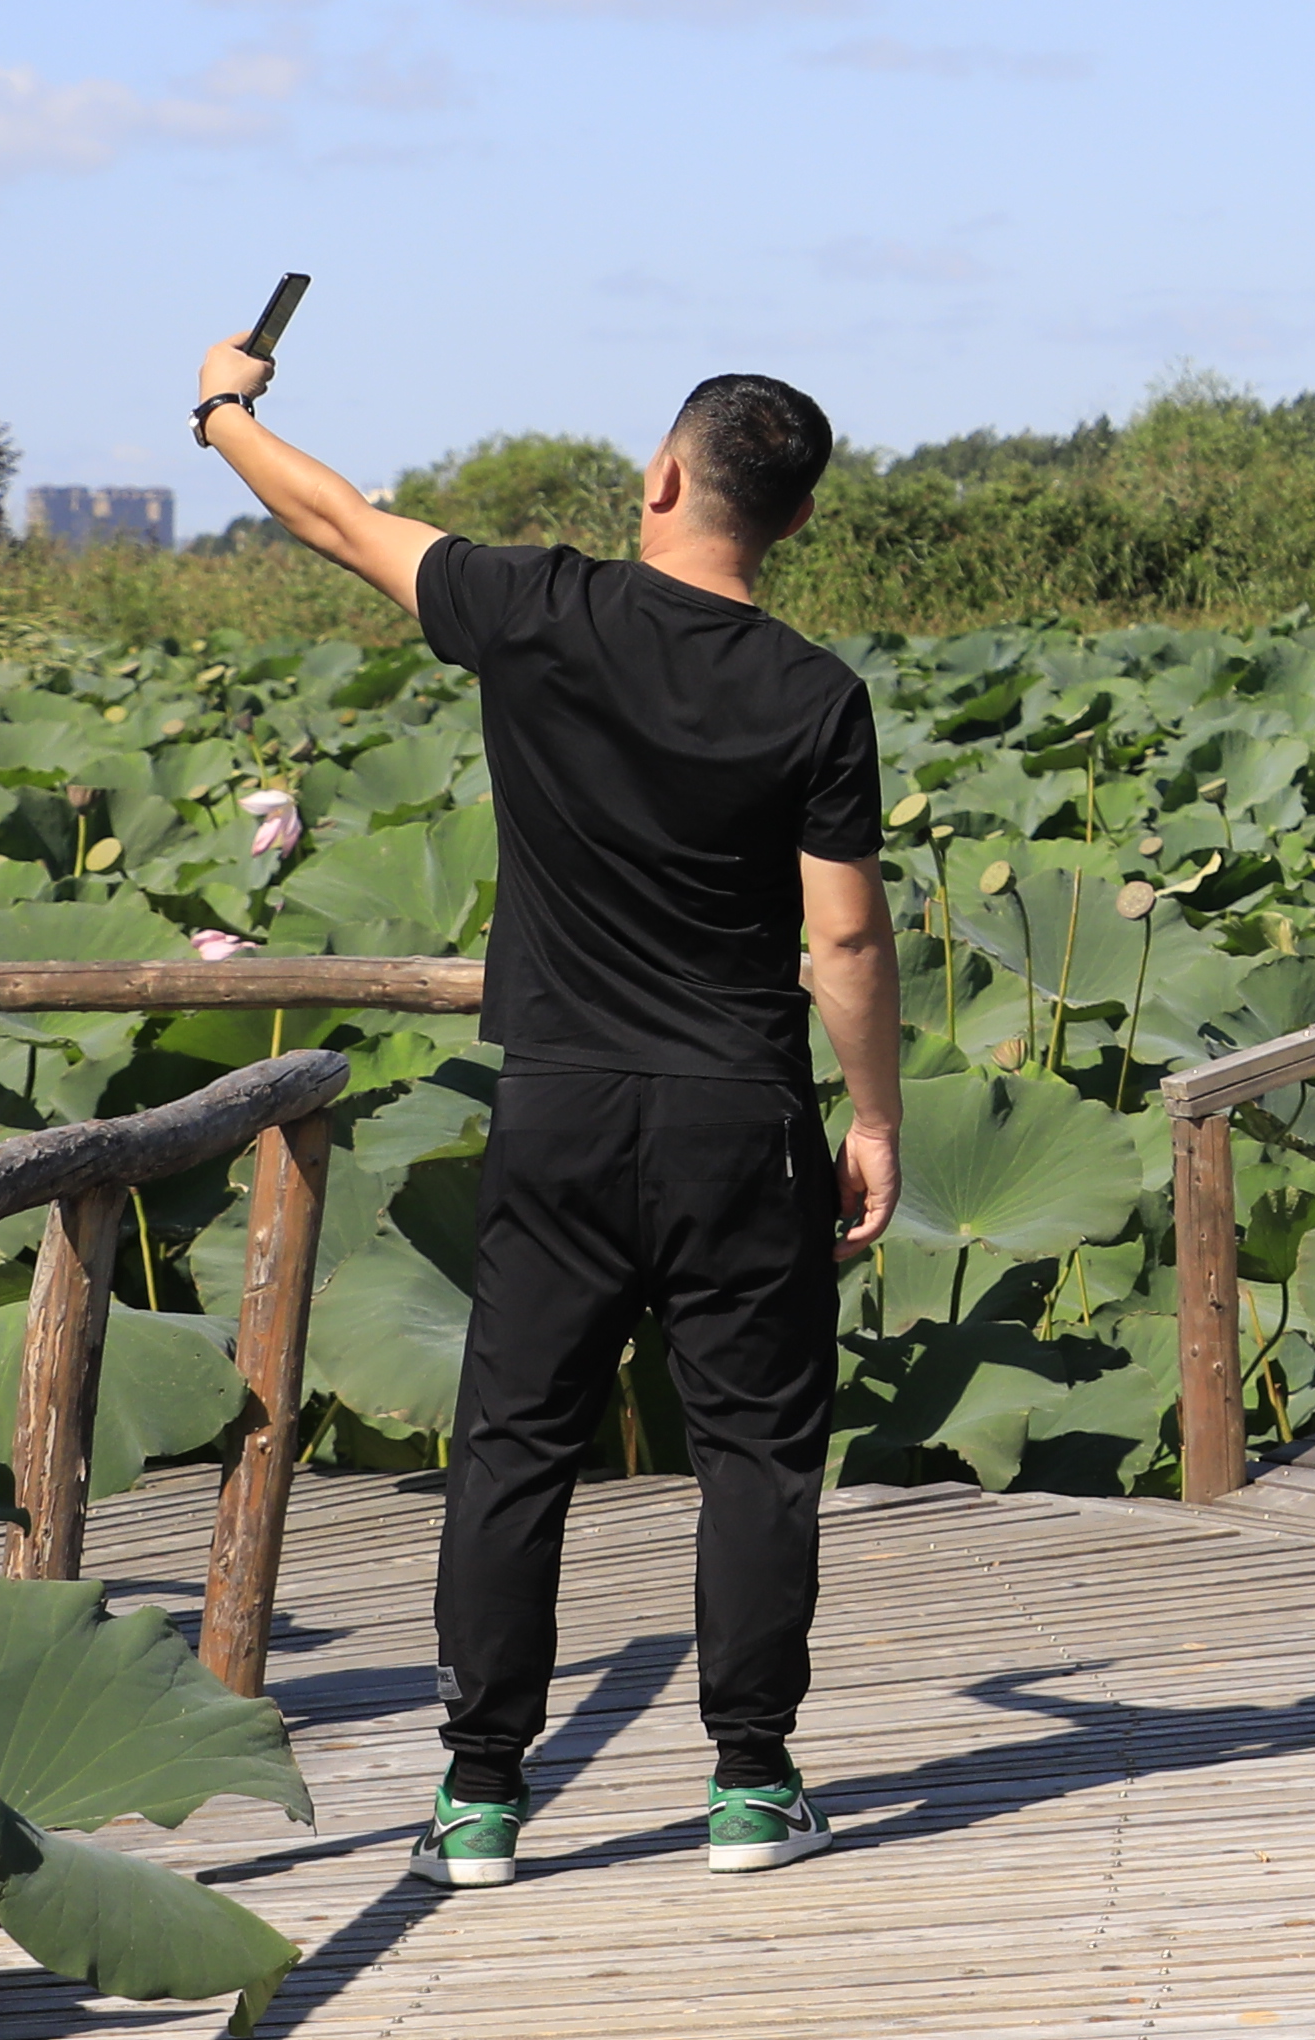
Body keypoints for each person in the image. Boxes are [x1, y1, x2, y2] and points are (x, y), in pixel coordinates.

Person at [190, 325, 889, 1892]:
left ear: (664, 476)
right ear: (792, 520)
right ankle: (750, 1787)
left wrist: (225, 412)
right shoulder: (815, 693)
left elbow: (336, 517)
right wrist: (879, 1118)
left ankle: (482, 1797)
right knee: (756, 1458)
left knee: (513, 1447)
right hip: (739, 1112)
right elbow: (842, 935)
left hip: (563, 1104)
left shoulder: (539, 608)